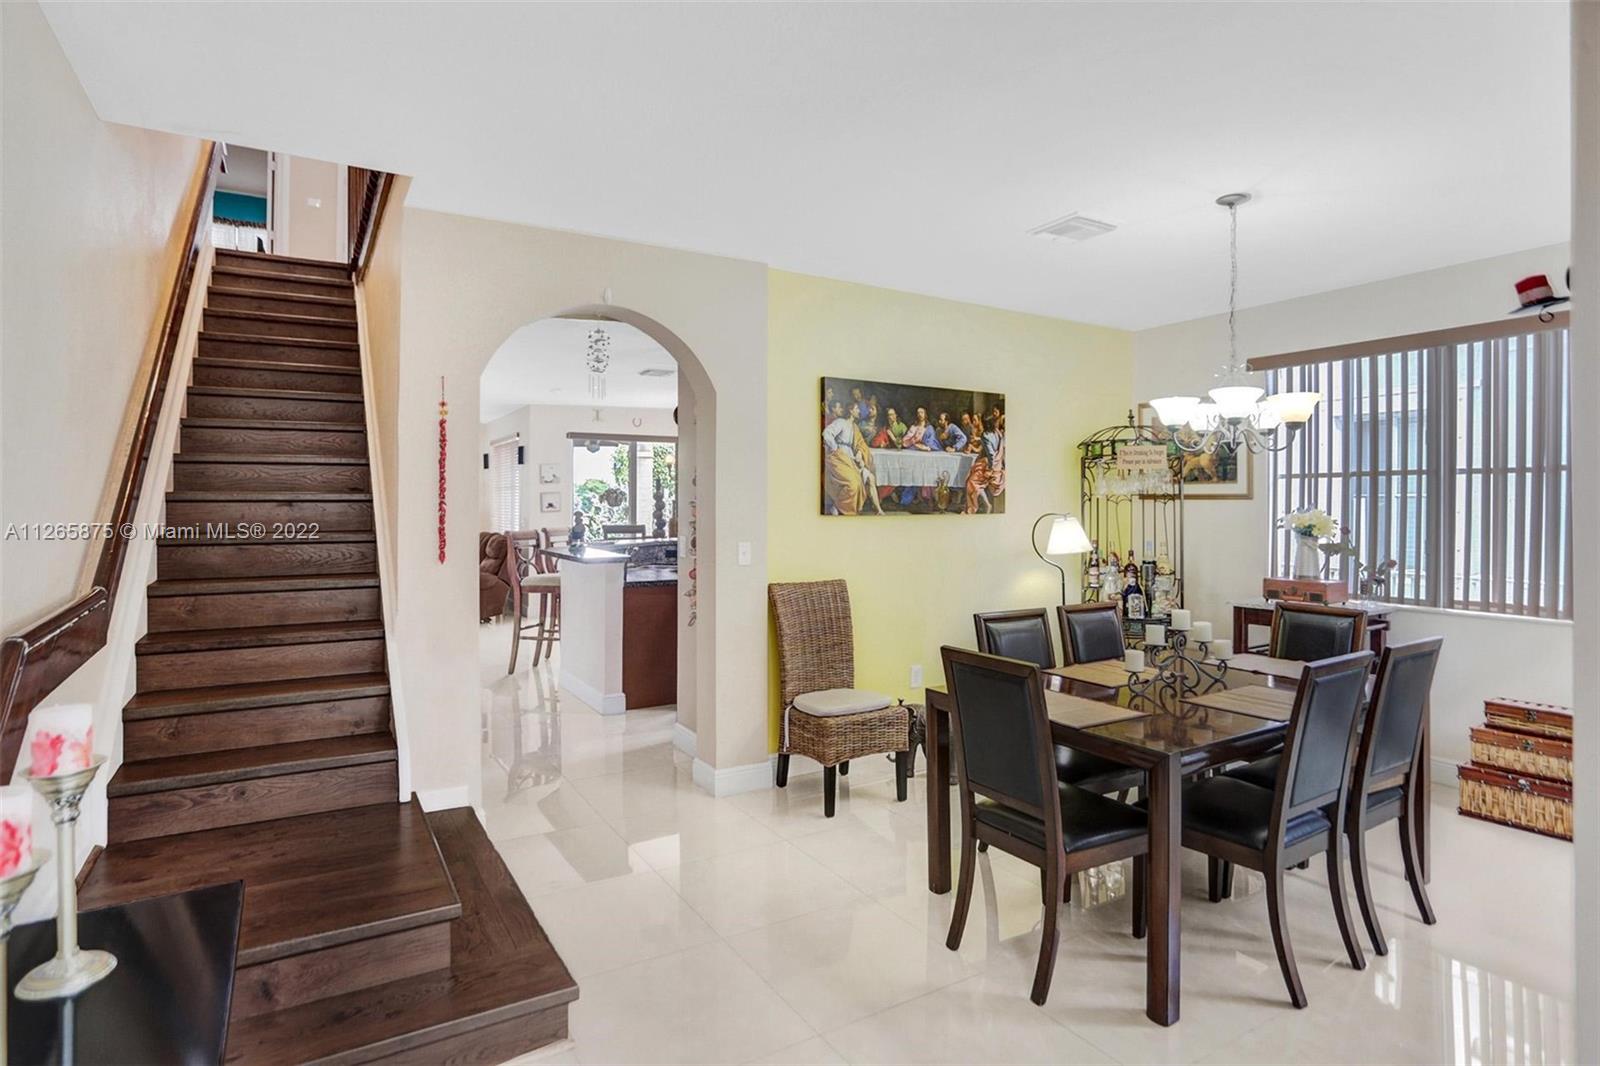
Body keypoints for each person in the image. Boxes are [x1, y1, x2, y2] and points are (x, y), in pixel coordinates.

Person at [822, 401, 884, 515]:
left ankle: (878, 510)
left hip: (852, 459)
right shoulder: (840, 422)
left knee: (870, 478)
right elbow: (826, 434)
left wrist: (860, 452)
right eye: (857, 409)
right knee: (853, 483)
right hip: (839, 458)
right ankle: (840, 507)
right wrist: (835, 449)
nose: (859, 411)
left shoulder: (855, 427)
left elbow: (861, 444)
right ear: (850, 410)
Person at [963, 412, 1006, 514]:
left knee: (971, 481)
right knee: (972, 475)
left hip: (989, 465)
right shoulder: (997, 432)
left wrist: (989, 469)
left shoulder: (985, 435)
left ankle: (985, 505)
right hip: (997, 464)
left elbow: (991, 454)